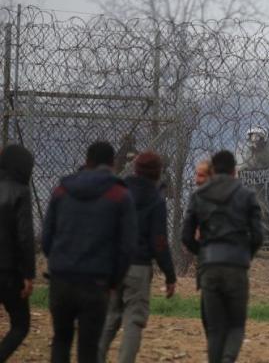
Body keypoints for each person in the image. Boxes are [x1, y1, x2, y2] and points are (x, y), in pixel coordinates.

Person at [42, 141, 137, 363]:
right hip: (96, 282)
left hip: (61, 278)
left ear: (86, 161)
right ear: (113, 164)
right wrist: (114, 280)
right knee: (89, 347)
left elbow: (47, 238)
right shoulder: (120, 194)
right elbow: (127, 246)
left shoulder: (61, 190)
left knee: (61, 340)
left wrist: (57, 263)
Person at [182, 150, 263, 363]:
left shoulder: (199, 195)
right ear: (235, 171)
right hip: (237, 265)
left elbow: (186, 236)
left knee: (215, 329)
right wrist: (246, 255)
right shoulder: (247, 195)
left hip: (209, 266)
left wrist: (203, 253)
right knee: (236, 325)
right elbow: (258, 235)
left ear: (213, 170)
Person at [98, 151, 177, 363]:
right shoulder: (155, 199)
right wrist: (170, 275)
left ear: (135, 168)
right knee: (134, 319)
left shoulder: (118, 191)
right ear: (158, 173)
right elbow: (159, 242)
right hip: (138, 266)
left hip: (114, 264)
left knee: (110, 316)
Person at [0, 145, 35, 362]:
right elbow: (25, 237)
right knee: (21, 324)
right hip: (8, 271)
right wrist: (28, 274)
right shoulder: (20, 192)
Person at [238, 126, 269, 247]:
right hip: (255, 184)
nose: (255, 141)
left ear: (263, 138)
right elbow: (244, 165)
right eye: (252, 138)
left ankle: (267, 239)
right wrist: (245, 171)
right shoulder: (247, 150)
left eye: (257, 138)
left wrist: (267, 171)